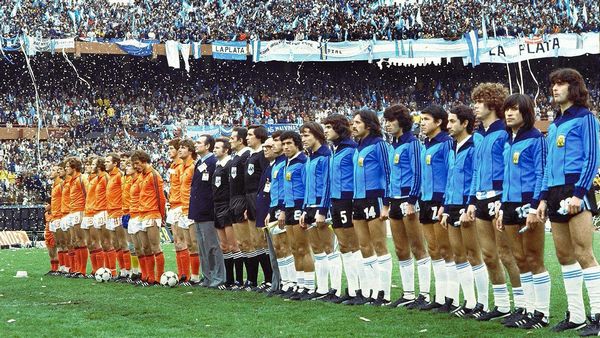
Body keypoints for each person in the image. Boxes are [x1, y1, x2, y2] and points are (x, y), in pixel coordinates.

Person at [538, 68, 600, 335]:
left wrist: (579, 192)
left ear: (574, 88)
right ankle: (576, 315)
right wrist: (542, 199)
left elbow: (592, 157)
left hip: (576, 190)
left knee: (584, 253)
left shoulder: (586, 118)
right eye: (553, 84)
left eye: (561, 84)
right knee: (565, 256)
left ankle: (598, 314)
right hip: (553, 192)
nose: (555, 88)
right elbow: (547, 166)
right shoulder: (554, 124)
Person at [466, 83, 522, 321]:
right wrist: (470, 199)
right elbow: (476, 170)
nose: (475, 106)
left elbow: (509, 167)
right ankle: (501, 305)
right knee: (489, 255)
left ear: (491, 103)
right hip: (479, 198)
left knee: (507, 254)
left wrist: (503, 197)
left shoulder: (505, 132)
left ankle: (522, 304)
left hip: (499, 197)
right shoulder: (478, 135)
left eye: (479, 101)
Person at [494, 94, 550, 329]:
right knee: (519, 258)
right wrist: (499, 205)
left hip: (528, 204)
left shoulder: (536, 138)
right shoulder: (508, 140)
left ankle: (542, 314)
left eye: (515, 109)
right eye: (507, 109)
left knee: (533, 258)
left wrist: (536, 205)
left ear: (526, 113)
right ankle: (527, 309)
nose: (509, 113)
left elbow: (541, 173)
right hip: (507, 204)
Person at [382, 105, 431, 308]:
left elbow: (418, 173)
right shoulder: (393, 145)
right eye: (385, 120)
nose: (387, 124)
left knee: (418, 247)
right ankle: (408, 293)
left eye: (390, 120)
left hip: (408, 201)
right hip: (394, 200)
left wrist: (412, 200)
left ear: (401, 121)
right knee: (401, 249)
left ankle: (425, 295)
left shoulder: (412, 144)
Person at [439, 104, 484, 317]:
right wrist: (446, 207)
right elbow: (450, 180)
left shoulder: (475, 146)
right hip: (452, 205)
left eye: (452, 121)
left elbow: (476, 177)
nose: (448, 125)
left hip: (468, 206)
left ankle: (482, 303)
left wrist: (470, 205)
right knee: (458, 255)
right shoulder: (452, 147)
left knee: (474, 254)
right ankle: (469, 302)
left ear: (465, 123)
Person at [350, 109, 392, 306]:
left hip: (374, 199)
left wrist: (386, 204)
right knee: (364, 246)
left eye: (357, 122)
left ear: (368, 125)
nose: (353, 126)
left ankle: (384, 293)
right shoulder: (358, 147)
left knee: (379, 246)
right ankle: (372, 292)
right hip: (357, 200)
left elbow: (388, 174)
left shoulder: (379, 145)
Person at [417, 105, 455, 311]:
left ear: (439, 122)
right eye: (421, 119)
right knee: (433, 249)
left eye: (426, 119)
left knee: (446, 250)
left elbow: (451, 173)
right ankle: (440, 297)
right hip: (425, 200)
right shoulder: (426, 144)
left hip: (440, 201)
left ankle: (452, 298)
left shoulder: (446, 143)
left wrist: (445, 202)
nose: (422, 123)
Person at [300, 121, 342, 301]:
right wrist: (304, 209)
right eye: (302, 135)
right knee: (317, 249)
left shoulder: (326, 155)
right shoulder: (310, 156)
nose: (303, 139)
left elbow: (327, 184)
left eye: (307, 135)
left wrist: (322, 208)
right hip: (309, 206)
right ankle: (323, 288)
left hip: (321, 206)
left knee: (329, 247)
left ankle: (336, 289)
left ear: (317, 135)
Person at [322, 114, 362, 304]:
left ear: (339, 128)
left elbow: (356, 176)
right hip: (335, 201)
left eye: (329, 127)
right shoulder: (334, 149)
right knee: (344, 246)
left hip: (348, 200)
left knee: (354, 246)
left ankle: (360, 290)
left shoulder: (352, 148)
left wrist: (355, 203)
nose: (326, 130)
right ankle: (352, 288)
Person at [278, 130, 316, 300]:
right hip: (289, 208)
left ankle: (309, 285)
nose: (285, 147)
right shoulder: (287, 162)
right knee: (294, 248)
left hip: (300, 207)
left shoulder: (303, 162)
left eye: (289, 144)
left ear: (297, 145)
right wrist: (284, 211)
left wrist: (305, 210)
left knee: (303, 248)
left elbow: (308, 187)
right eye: (284, 144)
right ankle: (300, 284)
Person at [189, 135, 226, 288]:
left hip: (208, 211)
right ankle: (208, 277)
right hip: (198, 211)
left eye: (199, 142)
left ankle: (218, 277)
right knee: (202, 247)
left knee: (212, 246)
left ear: (208, 146)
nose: (196, 145)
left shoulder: (213, 163)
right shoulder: (200, 162)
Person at [266, 131, 296, 297]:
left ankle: (293, 282)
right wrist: (271, 211)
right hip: (275, 208)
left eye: (277, 141)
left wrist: (282, 210)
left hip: (285, 208)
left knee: (287, 246)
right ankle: (285, 282)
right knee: (279, 248)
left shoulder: (287, 162)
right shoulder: (277, 164)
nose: (274, 145)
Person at [132, 150, 167, 286]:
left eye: (137, 163)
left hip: (152, 213)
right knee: (145, 247)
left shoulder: (154, 175)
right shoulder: (141, 175)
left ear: (144, 161)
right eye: (134, 164)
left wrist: (161, 215)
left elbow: (161, 197)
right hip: (141, 214)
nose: (136, 166)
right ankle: (148, 277)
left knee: (155, 247)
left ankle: (159, 277)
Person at [245, 125, 273, 291]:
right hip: (250, 200)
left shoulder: (262, 156)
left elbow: (265, 179)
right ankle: (265, 278)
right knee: (256, 241)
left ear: (259, 137)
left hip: (259, 199)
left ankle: (270, 278)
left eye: (250, 135)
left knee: (263, 240)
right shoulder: (251, 156)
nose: (247, 137)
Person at [212, 137, 242, 289]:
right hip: (217, 207)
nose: (214, 149)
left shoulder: (230, 165)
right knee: (224, 246)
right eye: (215, 147)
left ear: (226, 150)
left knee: (234, 245)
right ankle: (229, 280)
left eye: (218, 147)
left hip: (227, 207)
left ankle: (239, 280)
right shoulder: (217, 166)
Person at [228, 127, 254, 290]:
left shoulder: (246, 156)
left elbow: (247, 183)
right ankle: (247, 279)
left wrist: (245, 204)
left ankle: (252, 279)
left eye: (232, 138)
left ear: (240, 140)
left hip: (242, 201)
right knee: (241, 243)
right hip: (234, 201)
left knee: (248, 242)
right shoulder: (236, 157)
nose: (230, 140)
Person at [106, 153, 131, 280]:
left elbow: (124, 193)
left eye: (108, 161)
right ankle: (122, 271)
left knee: (123, 243)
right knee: (115, 244)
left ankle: (128, 270)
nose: (105, 163)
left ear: (115, 163)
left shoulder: (119, 175)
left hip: (118, 212)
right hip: (110, 213)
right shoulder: (109, 176)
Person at [166, 139, 188, 282]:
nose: (169, 151)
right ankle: (181, 274)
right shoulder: (173, 165)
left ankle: (187, 275)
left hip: (180, 205)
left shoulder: (181, 165)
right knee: (177, 242)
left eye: (171, 148)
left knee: (182, 241)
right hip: (173, 204)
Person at [178, 139, 198, 285]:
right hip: (183, 208)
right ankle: (192, 275)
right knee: (189, 244)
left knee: (195, 243)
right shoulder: (183, 167)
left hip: (192, 208)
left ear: (190, 151)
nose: (180, 150)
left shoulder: (193, 166)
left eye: (183, 148)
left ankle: (196, 276)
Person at [67, 157, 87, 278]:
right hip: (73, 211)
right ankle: (78, 268)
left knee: (80, 240)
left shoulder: (81, 178)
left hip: (80, 211)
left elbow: (87, 194)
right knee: (75, 241)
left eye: (67, 167)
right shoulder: (72, 180)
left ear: (74, 167)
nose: (66, 169)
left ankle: (82, 270)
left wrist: (85, 211)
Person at [82, 156, 100, 276]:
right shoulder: (87, 178)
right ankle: (94, 269)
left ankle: (101, 268)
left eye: (91, 164)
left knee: (96, 242)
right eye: (87, 164)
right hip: (86, 212)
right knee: (89, 243)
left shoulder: (98, 178)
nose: (88, 167)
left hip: (95, 212)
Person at [49, 164, 63, 275]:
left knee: (64, 243)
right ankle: (60, 268)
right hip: (54, 216)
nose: (51, 172)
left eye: (53, 170)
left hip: (60, 216)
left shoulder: (61, 185)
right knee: (58, 243)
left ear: (58, 172)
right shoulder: (54, 185)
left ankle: (68, 267)